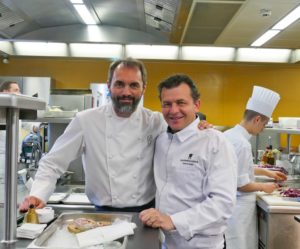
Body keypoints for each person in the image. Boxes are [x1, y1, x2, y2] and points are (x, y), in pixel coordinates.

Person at [19, 58, 209, 212]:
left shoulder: (156, 121)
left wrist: (199, 125)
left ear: (143, 88)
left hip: (146, 213)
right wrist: (38, 194)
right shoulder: (86, 121)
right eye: (120, 84)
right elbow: (52, 163)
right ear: (109, 85)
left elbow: (183, 129)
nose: (126, 92)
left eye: (134, 85)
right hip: (102, 212)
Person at [139, 74, 237, 249]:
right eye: (167, 104)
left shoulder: (215, 142)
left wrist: (173, 220)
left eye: (181, 103)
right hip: (165, 242)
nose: (173, 110)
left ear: (197, 105)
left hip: (202, 245)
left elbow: (223, 203)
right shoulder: (161, 140)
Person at [223, 86, 287, 249]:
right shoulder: (243, 144)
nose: (262, 130)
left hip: (229, 207)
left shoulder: (229, 135)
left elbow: (237, 167)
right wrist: (265, 187)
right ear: (257, 119)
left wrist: (266, 172)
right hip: (239, 210)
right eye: (264, 125)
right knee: (239, 244)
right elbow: (242, 184)